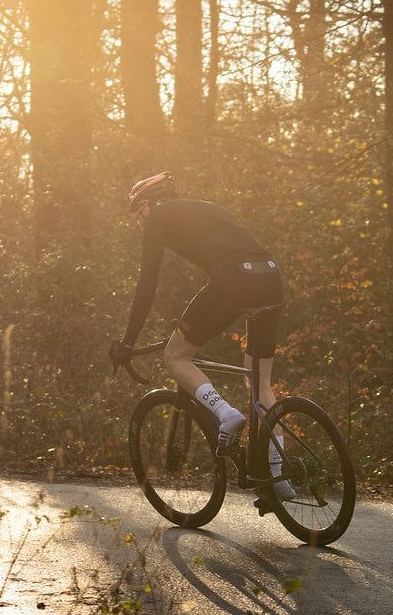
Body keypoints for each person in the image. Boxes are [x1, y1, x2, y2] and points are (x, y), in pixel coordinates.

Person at [109, 171, 294, 502]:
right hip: (270, 276)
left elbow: (146, 284)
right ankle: (279, 476)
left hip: (234, 279)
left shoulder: (160, 215)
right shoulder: (204, 207)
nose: (139, 222)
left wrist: (128, 342)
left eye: (137, 214)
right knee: (261, 385)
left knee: (175, 355)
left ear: (147, 204)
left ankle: (226, 415)